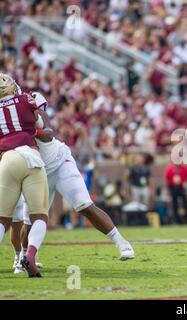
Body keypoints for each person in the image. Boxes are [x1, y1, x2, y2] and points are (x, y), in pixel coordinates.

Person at [10, 91, 134, 274]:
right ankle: (23, 258)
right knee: (30, 221)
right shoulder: (7, 119)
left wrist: (31, 131)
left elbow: (49, 133)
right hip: (36, 170)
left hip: (59, 162)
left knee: (84, 204)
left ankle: (122, 243)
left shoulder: (31, 101)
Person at [0, 74, 48, 277]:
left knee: (2, 220)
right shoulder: (25, 98)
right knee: (39, 216)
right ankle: (30, 255)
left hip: (7, 159)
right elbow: (41, 127)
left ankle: (20, 256)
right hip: (30, 156)